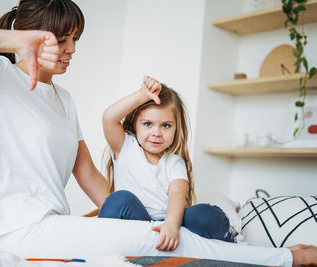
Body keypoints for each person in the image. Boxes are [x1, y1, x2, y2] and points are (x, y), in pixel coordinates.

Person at [0, 0, 317, 266]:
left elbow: (88, 174)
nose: (71, 49)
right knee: (165, 240)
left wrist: (132, 218)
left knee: (155, 235)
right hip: (17, 230)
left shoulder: (65, 99)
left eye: (75, 39)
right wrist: (12, 42)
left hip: (52, 223)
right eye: (61, 40)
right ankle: (290, 258)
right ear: (31, 38)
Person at [98, 76, 235, 252]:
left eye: (166, 126)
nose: (156, 133)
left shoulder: (174, 162)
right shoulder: (126, 147)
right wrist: (141, 95)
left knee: (206, 214)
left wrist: (171, 225)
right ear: (135, 124)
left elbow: (178, 193)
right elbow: (109, 118)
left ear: (177, 127)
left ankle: (231, 243)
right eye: (148, 124)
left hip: (169, 222)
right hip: (139, 223)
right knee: (119, 200)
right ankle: (99, 254)